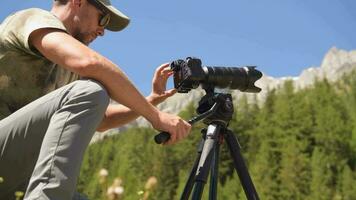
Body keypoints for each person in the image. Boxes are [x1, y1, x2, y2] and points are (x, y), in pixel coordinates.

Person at [0, 0, 191, 199]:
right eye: (103, 19)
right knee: (91, 90)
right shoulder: (32, 19)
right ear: (78, 2)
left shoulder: (68, 72)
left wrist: (151, 101)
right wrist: (156, 117)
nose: (102, 31)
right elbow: (90, 62)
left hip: (17, 175)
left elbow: (103, 119)